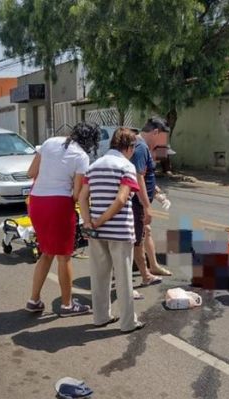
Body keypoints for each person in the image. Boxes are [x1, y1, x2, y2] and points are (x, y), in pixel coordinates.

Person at [25, 123, 100, 316]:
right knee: (64, 256)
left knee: (46, 252)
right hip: (58, 205)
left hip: (37, 202)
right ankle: (67, 305)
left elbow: (31, 173)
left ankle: (34, 300)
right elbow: (76, 194)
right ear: (91, 142)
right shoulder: (81, 157)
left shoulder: (50, 143)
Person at [79, 128, 145, 333]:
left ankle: (100, 317)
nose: (133, 152)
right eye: (133, 147)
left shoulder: (94, 166)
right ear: (129, 147)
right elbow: (121, 199)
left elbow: (82, 197)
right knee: (124, 279)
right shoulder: (126, 167)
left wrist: (89, 222)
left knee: (99, 275)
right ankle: (127, 323)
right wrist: (100, 221)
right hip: (120, 231)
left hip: (97, 233)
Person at [131, 118, 172, 286]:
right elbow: (138, 177)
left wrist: (157, 194)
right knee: (137, 239)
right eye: (163, 138)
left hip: (140, 200)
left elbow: (147, 177)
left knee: (145, 232)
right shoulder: (140, 147)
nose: (163, 143)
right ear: (155, 132)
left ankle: (153, 266)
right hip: (136, 202)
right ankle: (145, 274)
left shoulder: (141, 146)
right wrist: (147, 207)